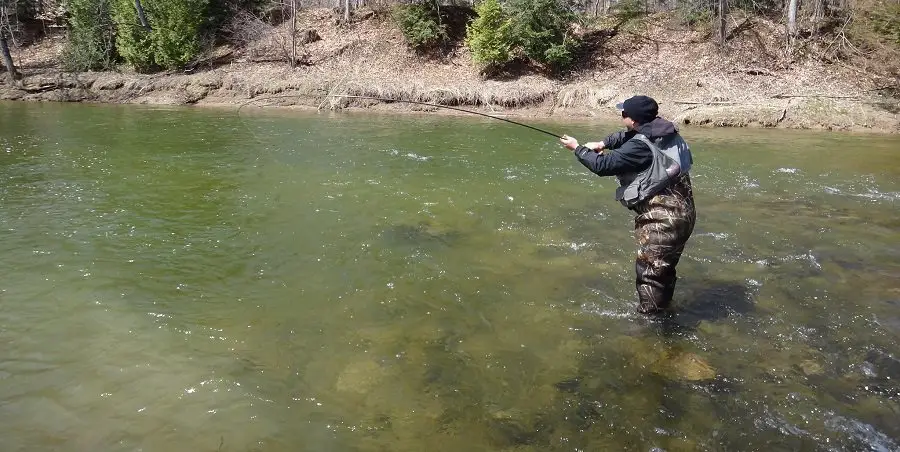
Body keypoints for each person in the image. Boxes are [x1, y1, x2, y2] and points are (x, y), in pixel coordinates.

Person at [559, 95, 696, 315]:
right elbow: (625, 137)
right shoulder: (664, 130)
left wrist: (578, 148)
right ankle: (665, 311)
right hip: (684, 213)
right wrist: (602, 143)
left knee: (650, 273)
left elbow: (604, 165)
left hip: (663, 221)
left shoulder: (639, 147)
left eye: (623, 113)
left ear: (633, 119)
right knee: (663, 269)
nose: (622, 116)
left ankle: (651, 325)